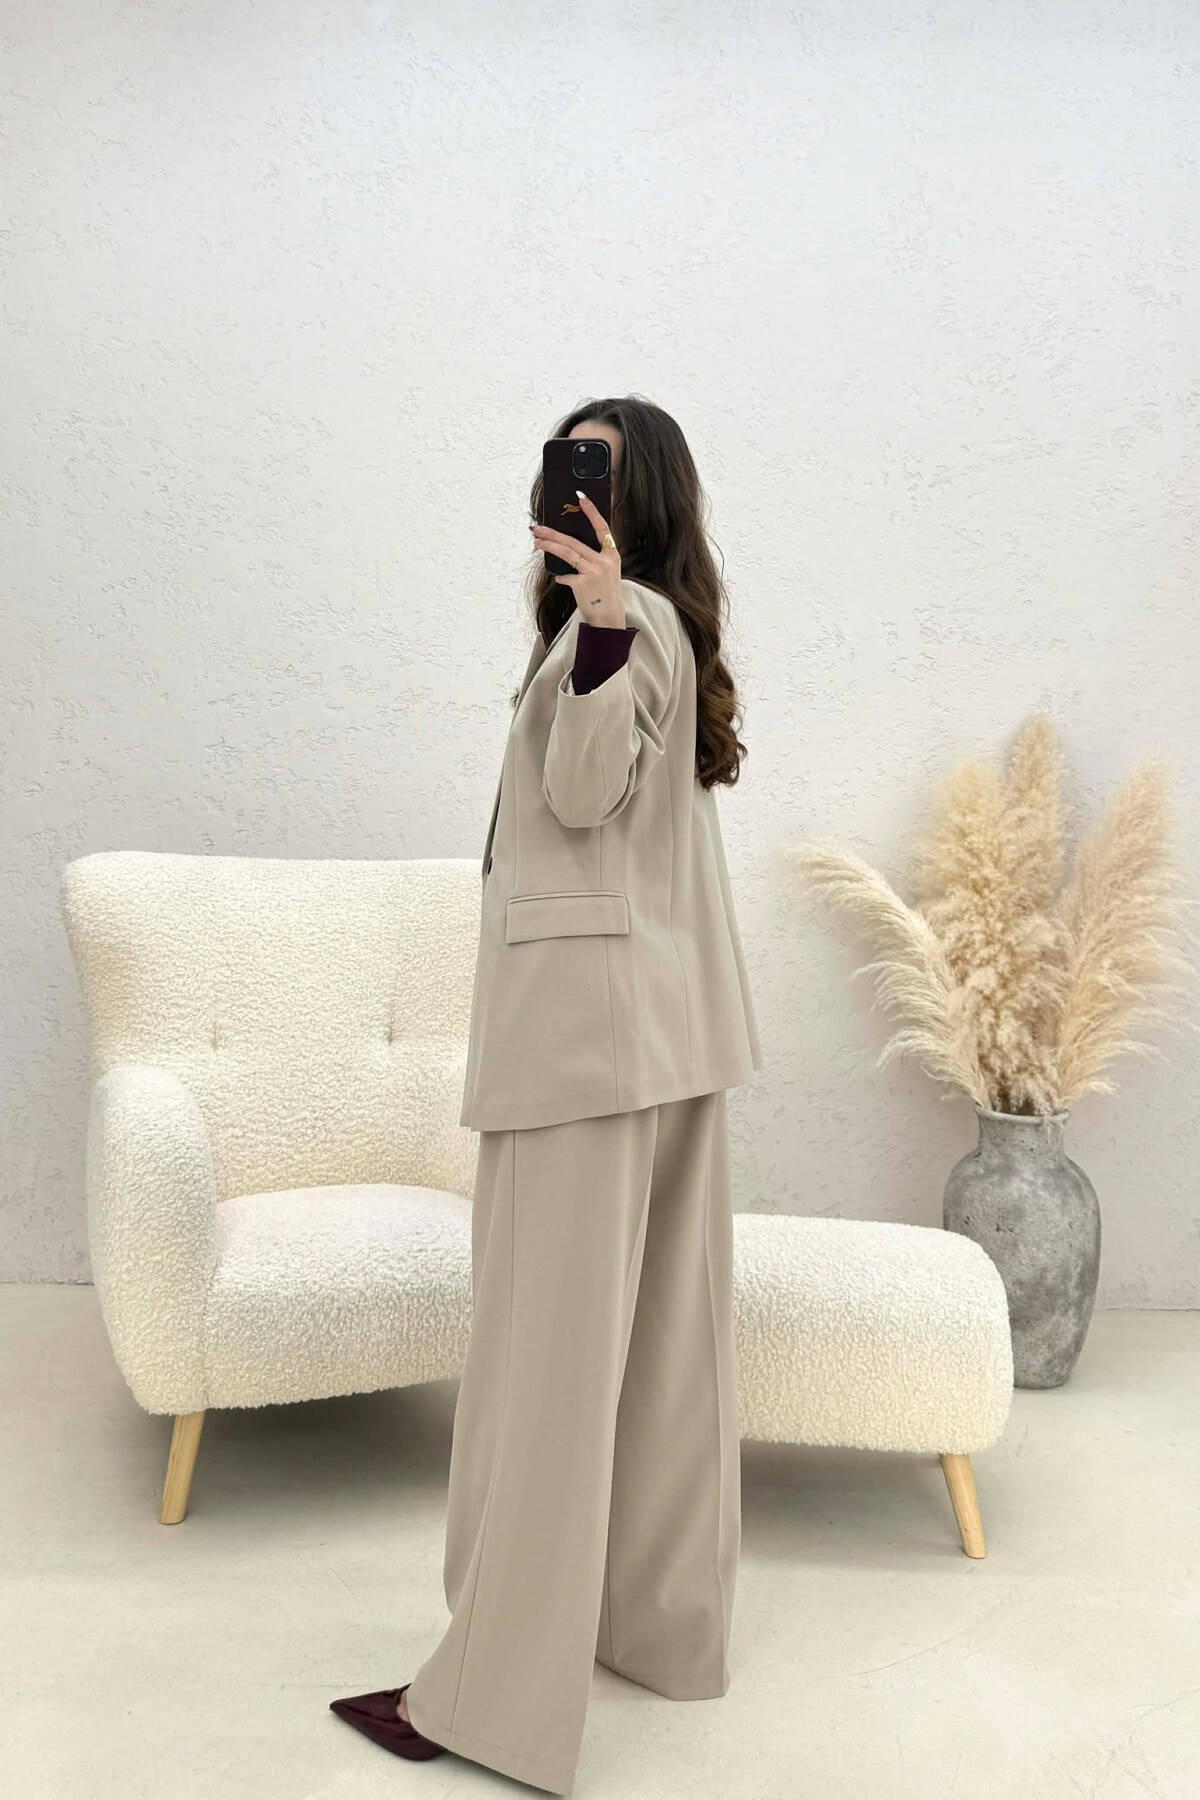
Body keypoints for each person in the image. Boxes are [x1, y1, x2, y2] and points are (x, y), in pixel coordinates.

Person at [330, 395, 763, 1794]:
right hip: (665, 1039)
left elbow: (578, 798)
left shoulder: (620, 626)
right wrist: (607, 627)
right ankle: (660, 1635)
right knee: (664, 1364)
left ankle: (490, 1705)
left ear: (644, 502)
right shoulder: (666, 627)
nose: (574, 490)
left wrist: (600, 627)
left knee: (544, 1377)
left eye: (602, 471)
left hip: (583, 1053)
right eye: (565, 463)